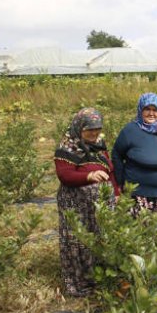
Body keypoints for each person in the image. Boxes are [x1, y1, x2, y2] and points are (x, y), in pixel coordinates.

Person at [112, 93, 157, 267]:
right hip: (141, 196)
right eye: (147, 109)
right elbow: (116, 155)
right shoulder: (130, 131)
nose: (151, 113)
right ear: (140, 110)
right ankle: (145, 274)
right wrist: (122, 182)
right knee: (144, 236)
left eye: (155, 109)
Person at [54, 108, 119, 297]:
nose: (94, 133)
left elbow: (110, 170)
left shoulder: (99, 144)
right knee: (79, 240)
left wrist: (115, 192)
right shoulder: (67, 146)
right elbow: (65, 175)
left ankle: (99, 279)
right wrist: (89, 176)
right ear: (79, 127)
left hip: (99, 205)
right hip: (77, 205)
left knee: (100, 238)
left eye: (98, 128)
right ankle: (80, 282)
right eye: (90, 129)